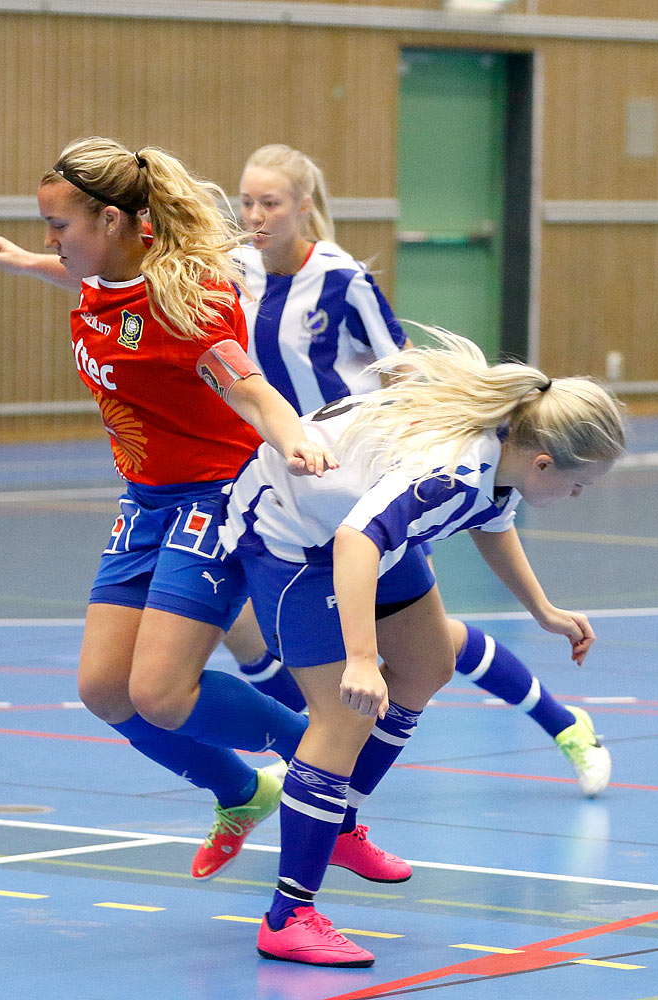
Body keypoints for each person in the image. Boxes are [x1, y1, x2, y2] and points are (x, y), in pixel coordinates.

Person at [0, 137, 334, 881]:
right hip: (148, 499)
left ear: (115, 222)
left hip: (218, 497)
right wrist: (18, 260)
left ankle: (318, 749)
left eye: (59, 228)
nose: (49, 240)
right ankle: (242, 791)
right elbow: (88, 288)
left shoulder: (185, 299)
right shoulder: (100, 273)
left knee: (158, 692)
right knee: (103, 689)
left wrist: (297, 439)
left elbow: (249, 386)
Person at [216, 329, 627, 967]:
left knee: (429, 664)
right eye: (579, 487)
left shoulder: (506, 455)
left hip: (361, 529)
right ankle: (289, 914)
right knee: (343, 715)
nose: (577, 499)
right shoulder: (452, 473)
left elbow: (493, 521)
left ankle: (341, 821)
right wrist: (358, 658)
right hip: (294, 535)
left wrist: (542, 611)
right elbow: (356, 542)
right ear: (545, 463)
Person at [223, 143, 611, 804]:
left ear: (304, 207)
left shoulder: (341, 280)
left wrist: (422, 441)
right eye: (248, 201)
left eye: (271, 202)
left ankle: (556, 723)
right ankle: (320, 767)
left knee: (426, 646)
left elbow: (400, 365)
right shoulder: (233, 270)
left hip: (366, 476)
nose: (256, 214)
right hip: (280, 475)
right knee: (252, 637)